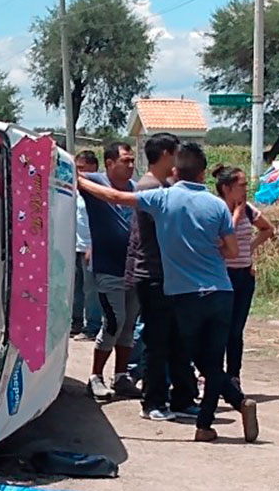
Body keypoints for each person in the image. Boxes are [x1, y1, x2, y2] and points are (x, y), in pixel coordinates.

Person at [78, 142, 259, 443]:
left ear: (177, 169)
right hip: (222, 290)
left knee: (186, 354)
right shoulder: (217, 205)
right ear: (203, 173)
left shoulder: (162, 198)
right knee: (213, 360)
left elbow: (115, 196)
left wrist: (79, 180)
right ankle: (209, 420)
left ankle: (211, 417)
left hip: (183, 294)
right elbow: (231, 250)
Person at [125, 132, 200, 422]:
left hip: (172, 275)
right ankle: (153, 401)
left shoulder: (167, 186)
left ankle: (181, 397)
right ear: (167, 154)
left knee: (178, 340)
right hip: (154, 274)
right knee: (157, 342)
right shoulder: (148, 188)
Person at [79, 143, 143, 400]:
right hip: (107, 267)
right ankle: (95, 376)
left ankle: (121, 377)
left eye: (131, 161)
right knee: (113, 321)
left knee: (128, 323)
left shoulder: (136, 189)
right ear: (109, 163)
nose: (130, 166)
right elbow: (70, 175)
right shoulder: (95, 181)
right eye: (125, 161)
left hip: (133, 268)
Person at [211, 165, 274, 389]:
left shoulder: (247, 209)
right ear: (227, 188)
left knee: (236, 330)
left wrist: (249, 249)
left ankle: (233, 376)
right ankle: (213, 376)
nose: (246, 189)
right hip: (221, 276)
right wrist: (236, 215)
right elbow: (221, 238)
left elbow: (268, 229)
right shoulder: (215, 209)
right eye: (242, 185)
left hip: (243, 275)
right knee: (219, 328)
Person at [72, 153, 103, 340]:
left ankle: (92, 326)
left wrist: (94, 244)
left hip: (90, 246)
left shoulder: (99, 191)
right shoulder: (75, 190)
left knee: (91, 289)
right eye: (78, 168)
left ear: (94, 168)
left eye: (83, 168)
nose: (79, 172)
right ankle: (75, 323)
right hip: (75, 245)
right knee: (76, 287)